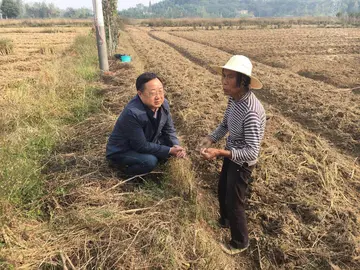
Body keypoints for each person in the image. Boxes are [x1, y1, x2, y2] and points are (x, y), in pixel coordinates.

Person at [200, 55, 266, 255]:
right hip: (230, 154)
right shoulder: (233, 100)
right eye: (224, 76)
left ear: (243, 82)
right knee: (222, 189)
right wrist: (211, 139)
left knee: (234, 200)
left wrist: (220, 152)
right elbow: (225, 124)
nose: (224, 81)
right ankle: (225, 221)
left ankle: (240, 242)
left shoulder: (252, 112)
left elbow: (252, 151)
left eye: (229, 77)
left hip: (243, 162)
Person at [106, 72, 186, 175]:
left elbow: (169, 130)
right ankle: (123, 172)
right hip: (124, 149)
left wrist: (175, 146)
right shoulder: (132, 113)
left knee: (169, 148)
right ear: (140, 94)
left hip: (147, 141)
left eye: (160, 91)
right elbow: (140, 146)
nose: (158, 97)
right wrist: (169, 150)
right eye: (152, 93)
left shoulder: (163, 104)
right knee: (150, 161)